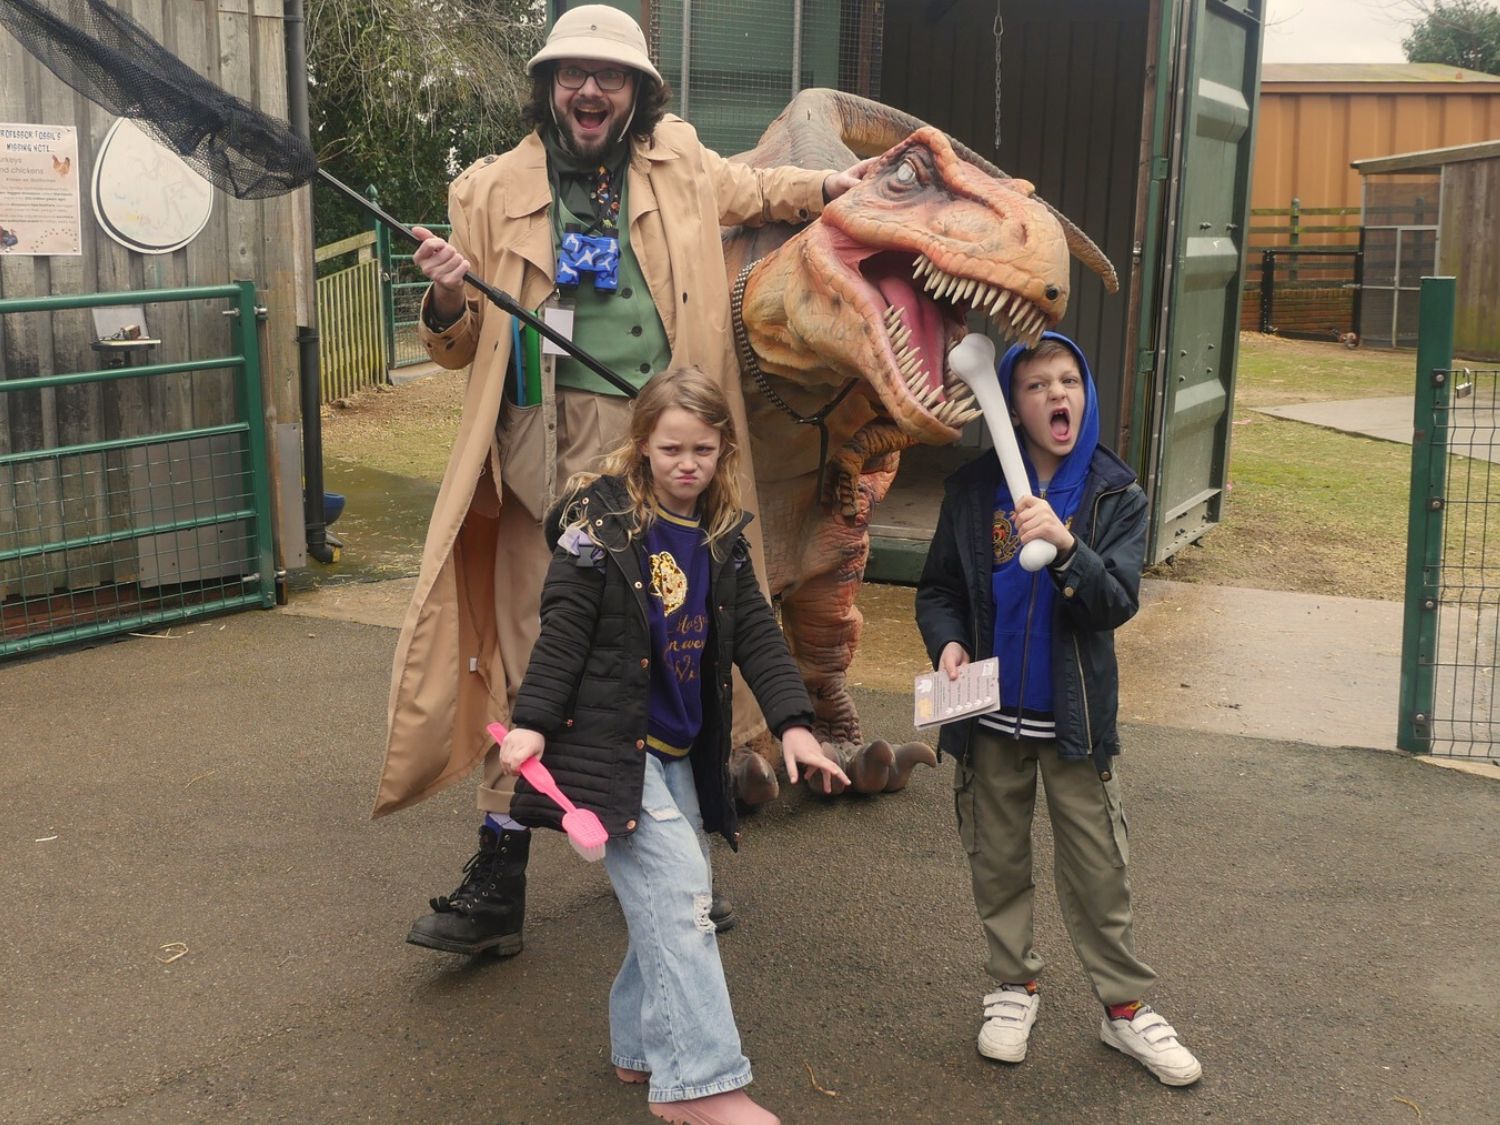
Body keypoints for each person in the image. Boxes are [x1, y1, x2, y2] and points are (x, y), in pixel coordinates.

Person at [369, 5, 864, 957]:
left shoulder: (679, 160)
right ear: (548, 87)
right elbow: (457, 346)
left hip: (667, 447)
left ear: (638, 92)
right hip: (545, 457)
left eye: (610, 76)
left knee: (677, 644)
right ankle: (499, 875)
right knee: (532, 657)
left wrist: (826, 186)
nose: (589, 90)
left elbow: (754, 189)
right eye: (572, 74)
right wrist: (445, 294)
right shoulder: (487, 191)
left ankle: (668, 858)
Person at [499, 367, 847, 1124]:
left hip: (678, 748)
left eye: (703, 450)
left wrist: (794, 723)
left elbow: (757, 635)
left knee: (667, 899)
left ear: (723, 451)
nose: (687, 464)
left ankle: (641, 1045)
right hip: (612, 749)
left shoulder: (720, 537)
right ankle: (702, 1084)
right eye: (671, 449)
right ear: (642, 445)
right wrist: (532, 721)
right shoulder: (602, 532)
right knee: (687, 899)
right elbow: (562, 633)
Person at [914, 332, 1202, 1087]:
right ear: (1013, 403)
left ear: (1085, 391)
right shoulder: (973, 490)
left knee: (1099, 867)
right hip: (987, 719)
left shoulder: (1114, 492)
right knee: (997, 859)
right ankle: (1013, 987)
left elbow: (1116, 603)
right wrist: (947, 642)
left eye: (1068, 380)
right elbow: (939, 589)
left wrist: (1069, 548)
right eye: (1037, 385)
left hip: (1073, 724)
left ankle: (1125, 1008)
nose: (1055, 395)